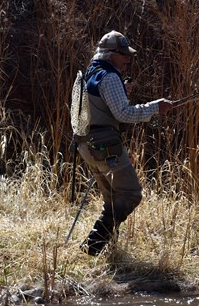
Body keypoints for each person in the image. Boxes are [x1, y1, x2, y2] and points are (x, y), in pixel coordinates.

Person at [72, 30, 174, 256]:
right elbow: (124, 114)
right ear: (110, 54)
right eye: (123, 54)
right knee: (130, 194)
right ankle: (94, 244)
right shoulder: (109, 76)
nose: (128, 58)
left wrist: (122, 92)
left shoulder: (91, 72)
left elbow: (99, 107)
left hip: (87, 145)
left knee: (112, 200)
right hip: (106, 147)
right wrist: (156, 107)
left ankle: (103, 252)